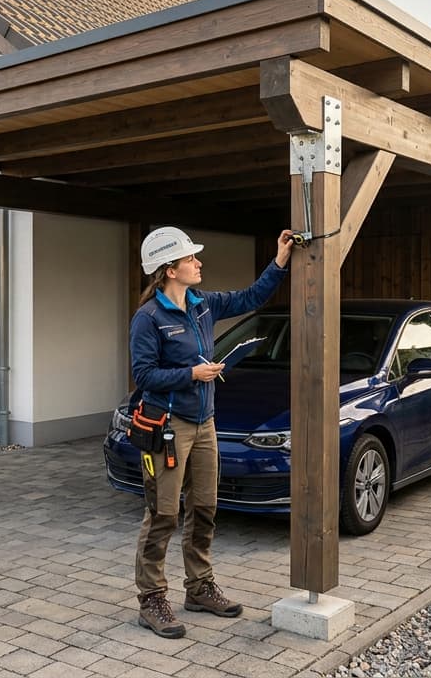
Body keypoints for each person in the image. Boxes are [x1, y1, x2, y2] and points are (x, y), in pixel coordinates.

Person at [129, 225, 295, 638]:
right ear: (169, 270)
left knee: (204, 507)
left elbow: (251, 297)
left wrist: (280, 260)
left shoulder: (203, 304)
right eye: (190, 259)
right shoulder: (148, 318)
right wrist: (192, 373)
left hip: (205, 424)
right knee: (164, 513)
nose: (198, 263)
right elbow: (143, 375)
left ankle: (199, 588)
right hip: (167, 426)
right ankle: (151, 599)